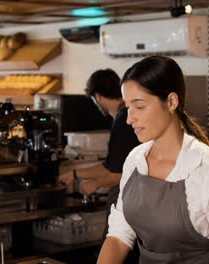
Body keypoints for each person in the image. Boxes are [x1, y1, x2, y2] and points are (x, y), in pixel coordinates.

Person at [97, 56, 209, 264]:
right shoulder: (135, 160)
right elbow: (118, 236)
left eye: (139, 106)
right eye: (127, 107)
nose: (129, 118)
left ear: (171, 102)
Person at [58, 70, 141, 262]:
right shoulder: (121, 118)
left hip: (127, 202)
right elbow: (110, 165)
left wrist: (95, 184)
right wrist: (75, 174)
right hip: (127, 202)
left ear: (98, 96)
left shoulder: (122, 121)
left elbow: (124, 173)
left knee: (116, 252)